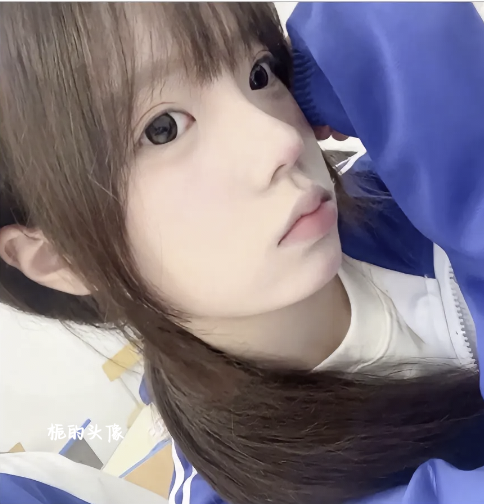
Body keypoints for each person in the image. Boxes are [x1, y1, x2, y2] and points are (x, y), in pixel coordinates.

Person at [1, 3, 484, 504]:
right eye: (163, 128)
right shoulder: (252, 491)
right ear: (61, 257)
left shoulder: (413, 187)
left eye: (259, 74)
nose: (279, 141)